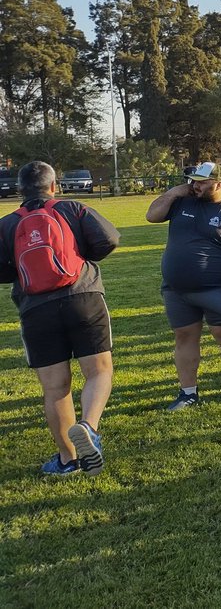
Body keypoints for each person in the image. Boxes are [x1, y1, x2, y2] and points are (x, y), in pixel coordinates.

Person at [0, 161, 120, 476]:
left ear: (18, 190)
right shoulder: (72, 209)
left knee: (55, 388)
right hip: (83, 297)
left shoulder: (7, 224)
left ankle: (68, 460)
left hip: (35, 309)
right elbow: (109, 239)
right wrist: (81, 256)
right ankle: (89, 428)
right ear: (54, 186)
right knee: (99, 372)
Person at [145, 162, 221, 411]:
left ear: (220, 184)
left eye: (201, 181)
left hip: (216, 290)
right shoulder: (181, 201)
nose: (195, 185)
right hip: (177, 290)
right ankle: (188, 393)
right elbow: (152, 216)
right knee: (184, 336)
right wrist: (173, 192)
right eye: (193, 180)